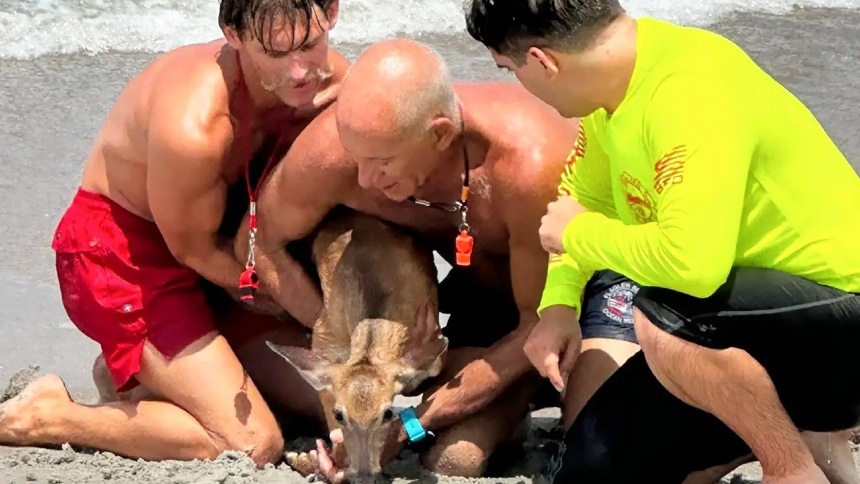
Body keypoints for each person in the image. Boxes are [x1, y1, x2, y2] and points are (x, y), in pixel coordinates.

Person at [465, 1, 860, 483]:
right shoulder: (608, 93)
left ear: (543, 61)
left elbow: (690, 265)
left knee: (662, 313)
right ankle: (797, 430)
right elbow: (582, 200)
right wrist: (559, 307)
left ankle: (791, 469)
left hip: (841, 318)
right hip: (739, 334)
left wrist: (579, 235)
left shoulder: (690, 90)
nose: (516, 85)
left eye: (510, 70)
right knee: (588, 472)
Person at [232, 38, 642, 480]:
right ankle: (516, 393)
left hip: (578, 293)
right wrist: (350, 355)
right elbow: (257, 246)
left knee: (602, 448)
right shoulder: (336, 152)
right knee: (454, 460)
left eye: (382, 162)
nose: (365, 180)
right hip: (492, 301)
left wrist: (409, 426)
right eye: (356, 158)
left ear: (441, 134)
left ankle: (558, 384)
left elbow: (537, 326)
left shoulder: (528, 169)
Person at [0, 0, 350, 467]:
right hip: (121, 256)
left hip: (226, 253)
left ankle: (147, 381)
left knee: (331, 408)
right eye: (276, 53)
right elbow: (195, 249)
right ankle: (47, 416)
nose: (300, 70)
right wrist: (305, 309)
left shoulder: (333, 82)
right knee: (252, 443)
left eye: (310, 44)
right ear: (233, 31)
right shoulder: (196, 123)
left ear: (331, 12)